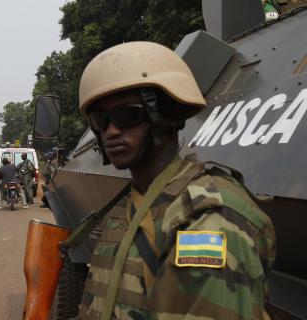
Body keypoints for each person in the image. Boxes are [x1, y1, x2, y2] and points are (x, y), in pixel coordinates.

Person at [74, 42, 275, 319]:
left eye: (126, 115)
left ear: (166, 115)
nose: (111, 131)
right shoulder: (129, 205)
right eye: (101, 120)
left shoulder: (210, 217)